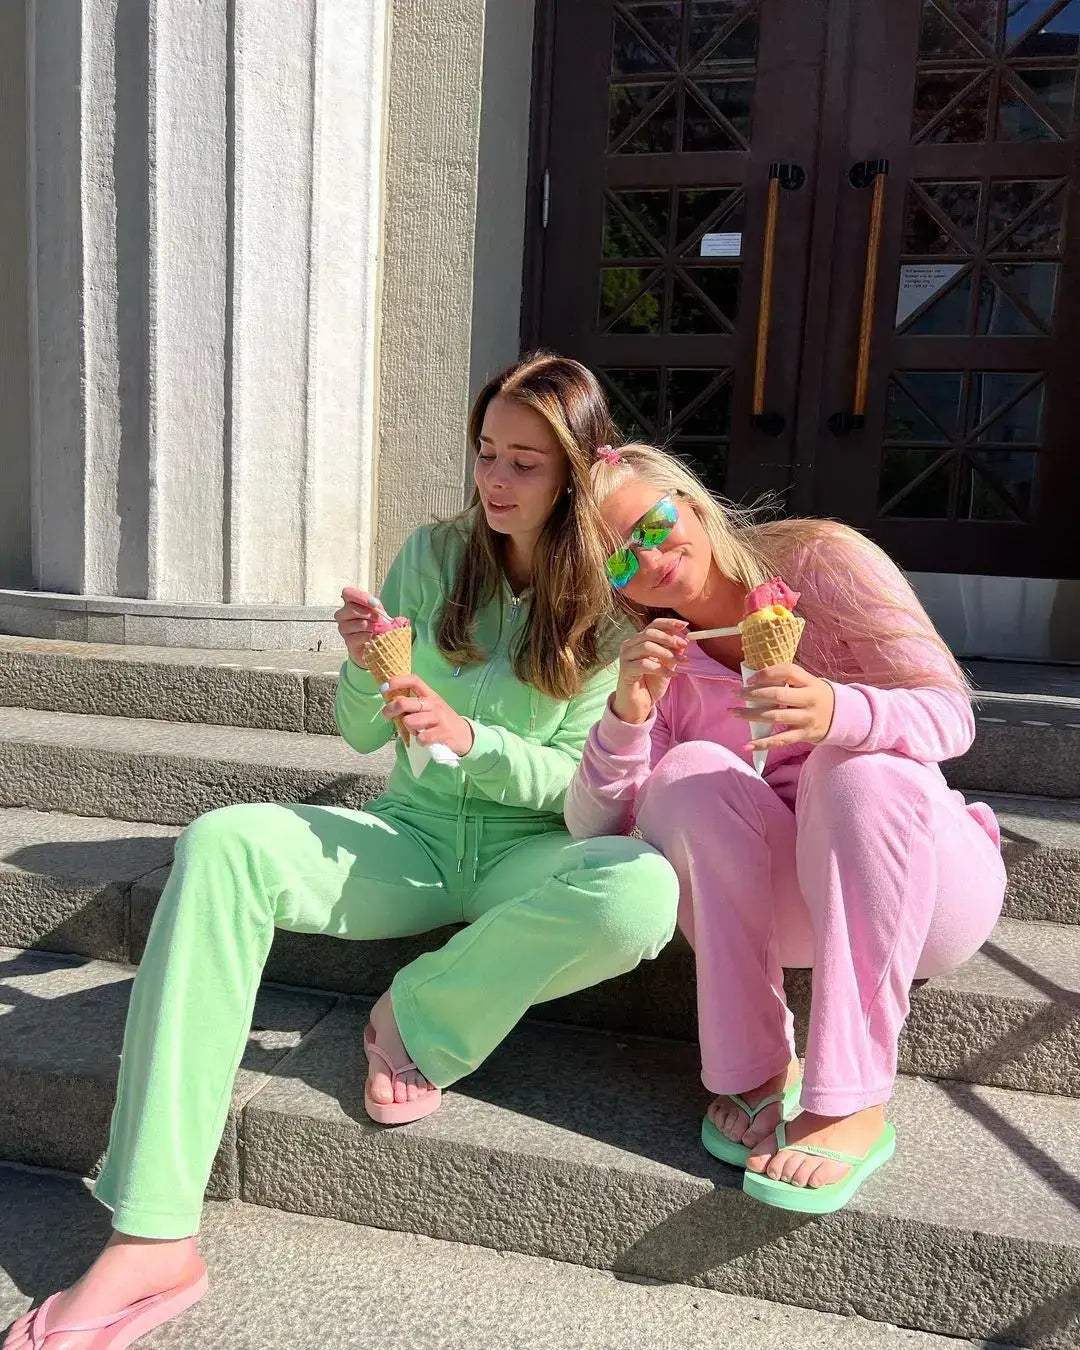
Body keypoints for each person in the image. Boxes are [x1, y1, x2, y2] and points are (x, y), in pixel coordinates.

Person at [5, 357, 678, 1350]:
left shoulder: (614, 605)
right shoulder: (435, 555)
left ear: (578, 473)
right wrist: (368, 665)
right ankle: (153, 1231)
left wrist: (471, 740)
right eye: (487, 454)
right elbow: (363, 734)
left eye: (525, 464)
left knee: (641, 892)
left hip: (526, 854)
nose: (495, 482)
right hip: (407, 842)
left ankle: (418, 1015)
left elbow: (581, 794)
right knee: (226, 841)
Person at [564, 442, 1005, 1215]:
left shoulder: (823, 562)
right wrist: (626, 715)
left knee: (856, 765)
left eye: (654, 524)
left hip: (929, 887)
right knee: (688, 774)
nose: (649, 556)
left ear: (693, 504)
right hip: (801, 909)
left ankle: (852, 1095)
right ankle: (761, 1067)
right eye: (619, 560)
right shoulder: (658, 660)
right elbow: (594, 824)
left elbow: (952, 716)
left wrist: (842, 711)